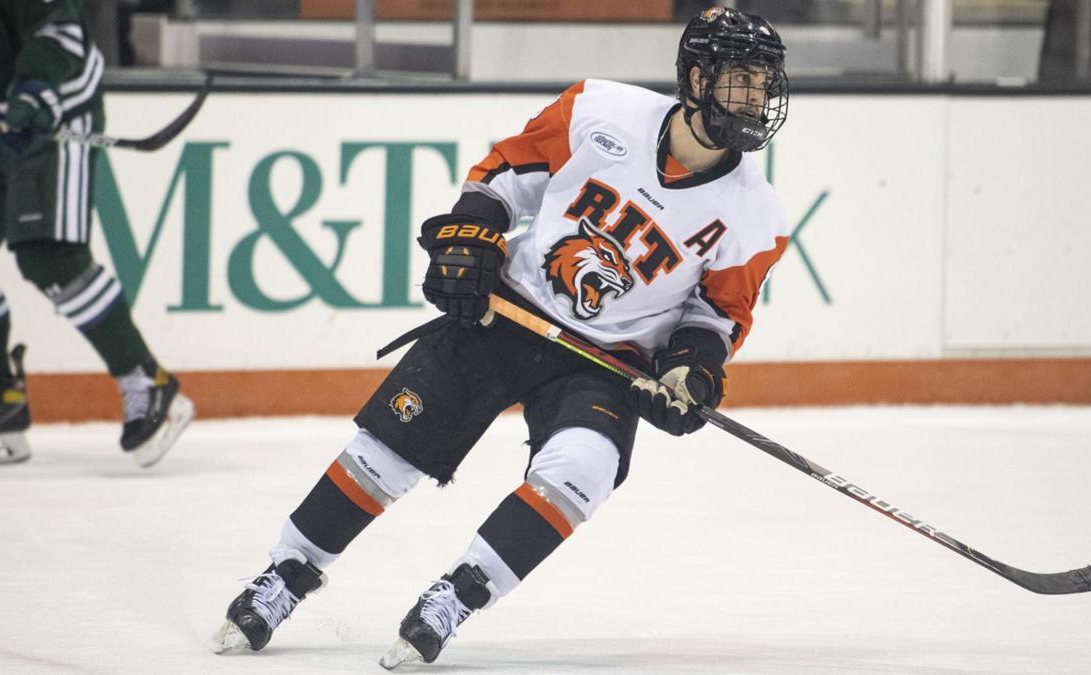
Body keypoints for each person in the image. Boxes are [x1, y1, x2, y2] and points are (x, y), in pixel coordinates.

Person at [211, 6, 791, 667]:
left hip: (605, 361)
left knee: (584, 469)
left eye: (764, 83)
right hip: (510, 309)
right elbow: (508, 172)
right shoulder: (599, 110)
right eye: (741, 80)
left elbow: (716, 316)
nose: (756, 98)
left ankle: (459, 592)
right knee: (388, 450)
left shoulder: (756, 214)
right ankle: (288, 571)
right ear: (695, 77)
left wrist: (692, 372)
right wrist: (474, 231)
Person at [0, 0, 194, 467]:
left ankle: (147, 381)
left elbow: (61, 33)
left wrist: (32, 97)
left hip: (50, 111)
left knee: (49, 255)